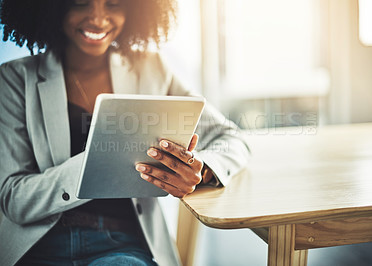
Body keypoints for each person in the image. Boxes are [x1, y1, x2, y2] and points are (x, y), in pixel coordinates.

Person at [0, 0, 250, 265]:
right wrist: (98, 161)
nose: (98, 19)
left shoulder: (151, 68)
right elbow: (15, 199)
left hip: (120, 246)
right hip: (38, 246)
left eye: (114, 4)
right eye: (81, 3)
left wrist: (201, 172)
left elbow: (230, 139)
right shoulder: (15, 80)